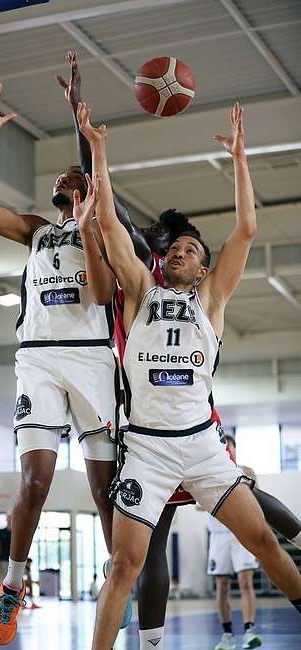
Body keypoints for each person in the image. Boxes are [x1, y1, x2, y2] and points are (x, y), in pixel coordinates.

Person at [58, 52, 301, 649]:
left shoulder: (211, 301)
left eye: (191, 249)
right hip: (146, 448)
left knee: (262, 540)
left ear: (204, 268)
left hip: (201, 443)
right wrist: (98, 152)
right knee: (125, 564)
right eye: (175, 248)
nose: (179, 252)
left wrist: (240, 159)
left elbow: (246, 230)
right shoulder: (141, 291)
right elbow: (109, 224)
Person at [0, 81, 120, 647]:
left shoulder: (103, 232)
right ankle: (12, 582)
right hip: (38, 360)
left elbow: (102, 295)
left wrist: (90, 221)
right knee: (36, 480)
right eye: (60, 175)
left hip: (93, 360)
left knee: (103, 488)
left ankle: (116, 579)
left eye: (73, 174)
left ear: (88, 187)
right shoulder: (35, 231)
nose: (62, 176)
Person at [208, 436, 262, 650]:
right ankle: (227, 635)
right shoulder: (208, 473)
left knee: (245, 582)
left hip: (241, 534)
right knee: (221, 586)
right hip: (218, 535)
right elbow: (198, 504)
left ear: (234, 449)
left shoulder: (246, 471)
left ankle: (249, 630)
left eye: (229, 446)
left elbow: (257, 501)